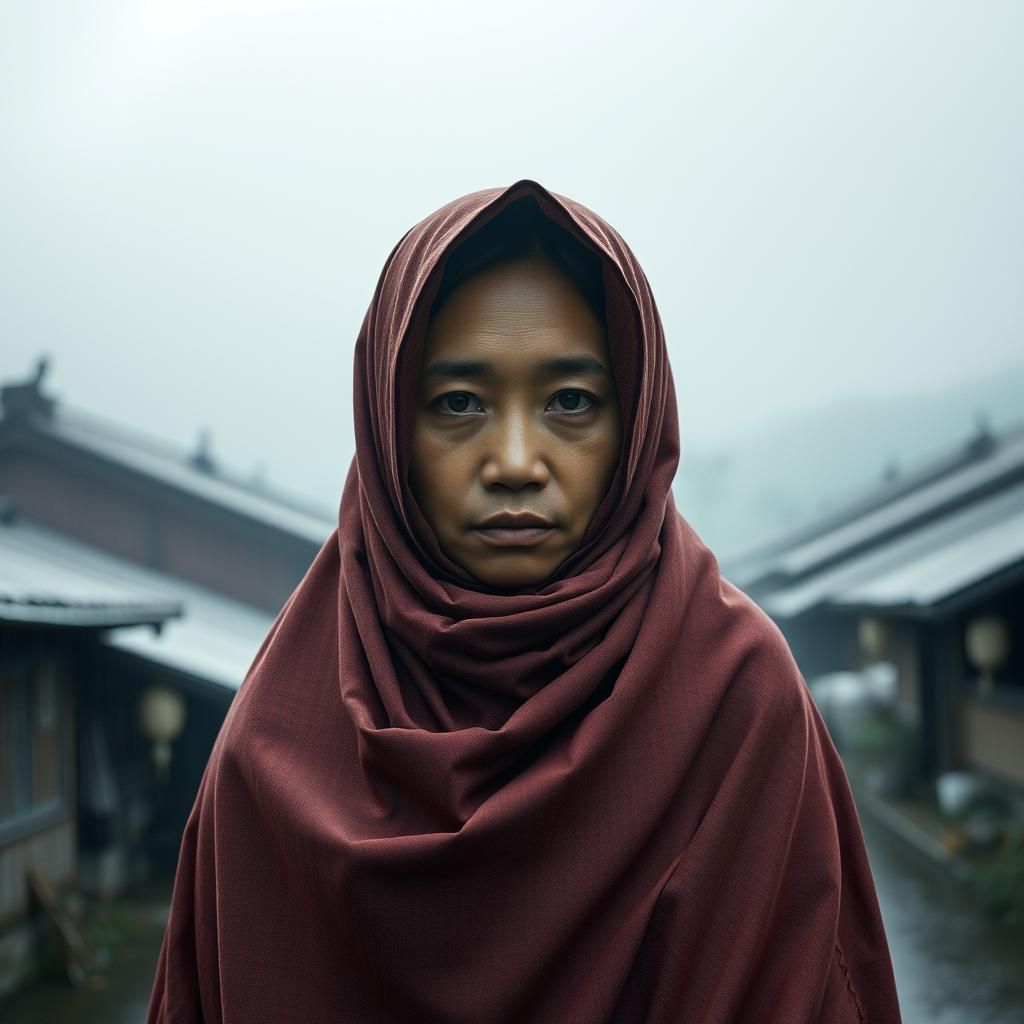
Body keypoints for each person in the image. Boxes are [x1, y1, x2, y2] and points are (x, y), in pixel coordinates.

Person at [146, 179, 902, 1023]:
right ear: (391, 427)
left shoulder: (733, 695)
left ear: (635, 426)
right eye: (459, 404)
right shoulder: (277, 741)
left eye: (570, 403)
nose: (513, 459)